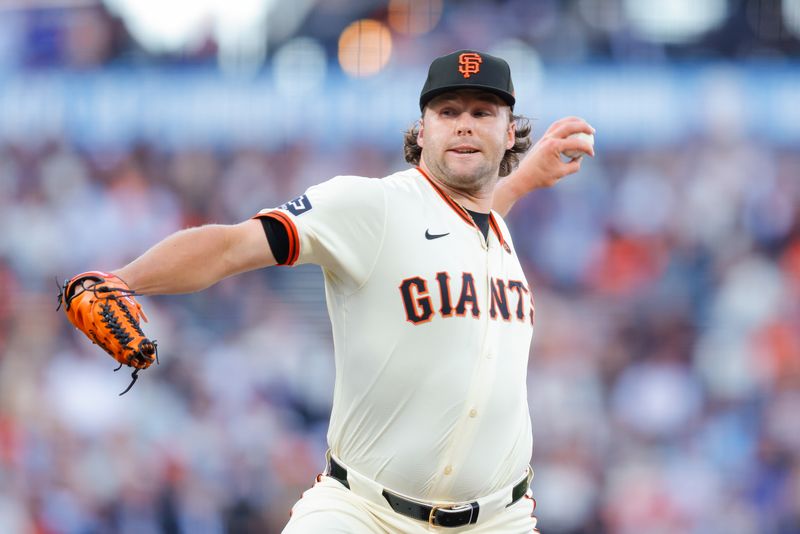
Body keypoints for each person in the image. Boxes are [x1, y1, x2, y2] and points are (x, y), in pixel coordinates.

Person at [68, 50, 594, 532]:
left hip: (499, 519)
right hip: (364, 513)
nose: (463, 125)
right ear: (422, 130)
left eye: (483, 113)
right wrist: (121, 280)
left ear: (509, 134)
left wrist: (523, 181)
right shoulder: (371, 206)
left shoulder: (494, 234)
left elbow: (457, 230)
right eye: (448, 111)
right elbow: (232, 246)